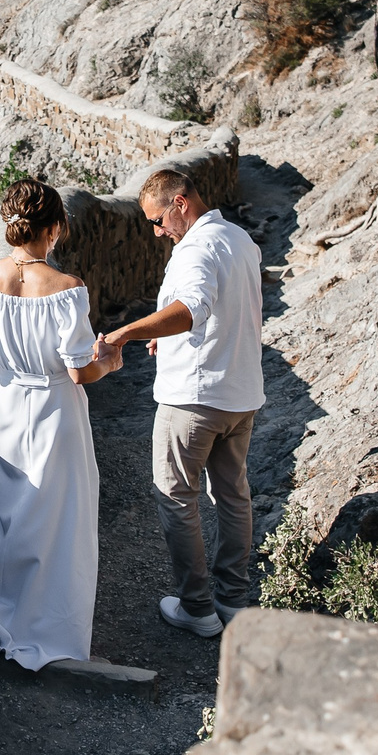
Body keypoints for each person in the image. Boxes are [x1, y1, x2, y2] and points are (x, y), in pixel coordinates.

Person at [0, 177, 123, 668]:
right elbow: (78, 369)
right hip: (55, 411)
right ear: (55, 227)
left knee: (8, 519)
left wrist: (8, 355)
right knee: (59, 523)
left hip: (6, 405)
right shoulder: (68, 290)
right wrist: (108, 362)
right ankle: (50, 632)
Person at [98, 167, 263, 639]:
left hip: (194, 398)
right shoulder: (239, 239)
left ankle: (197, 608)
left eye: (157, 220)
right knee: (233, 497)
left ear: (180, 203)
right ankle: (233, 600)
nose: (156, 232)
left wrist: (129, 331)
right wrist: (164, 339)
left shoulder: (195, 249)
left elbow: (193, 308)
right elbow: (227, 307)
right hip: (240, 392)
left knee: (176, 498)